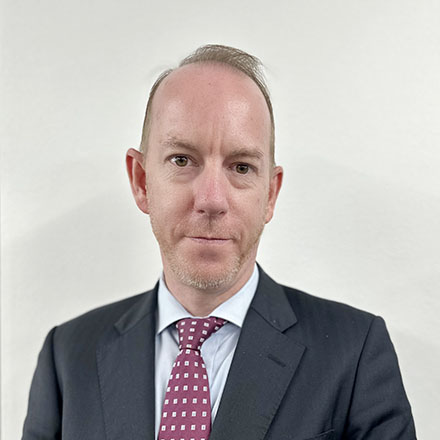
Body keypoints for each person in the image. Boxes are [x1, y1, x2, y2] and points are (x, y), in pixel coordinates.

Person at [22, 44, 416, 440]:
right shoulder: (67, 358)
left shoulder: (355, 353)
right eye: (181, 160)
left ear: (270, 194)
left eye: (241, 167)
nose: (211, 200)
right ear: (141, 181)